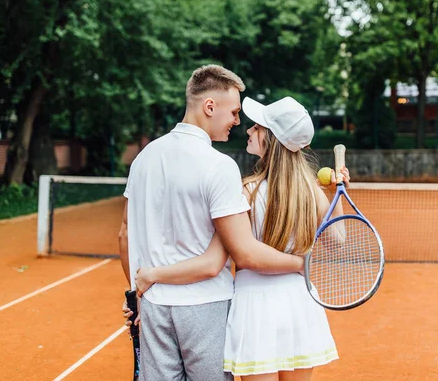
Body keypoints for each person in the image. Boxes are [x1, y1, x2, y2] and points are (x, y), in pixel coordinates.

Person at [131, 96, 348, 380]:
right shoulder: (313, 192)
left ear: (270, 139)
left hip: (255, 306)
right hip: (299, 302)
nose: (247, 130)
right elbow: (339, 238)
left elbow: (220, 258)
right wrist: (338, 195)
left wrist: (153, 274)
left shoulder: (246, 192)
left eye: (256, 127)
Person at [118, 65, 304, 381]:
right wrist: (304, 263)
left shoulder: (143, 158)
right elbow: (232, 256)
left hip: (153, 305)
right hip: (206, 306)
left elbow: (125, 234)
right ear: (209, 107)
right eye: (233, 112)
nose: (236, 121)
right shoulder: (220, 167)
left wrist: (139, 294)